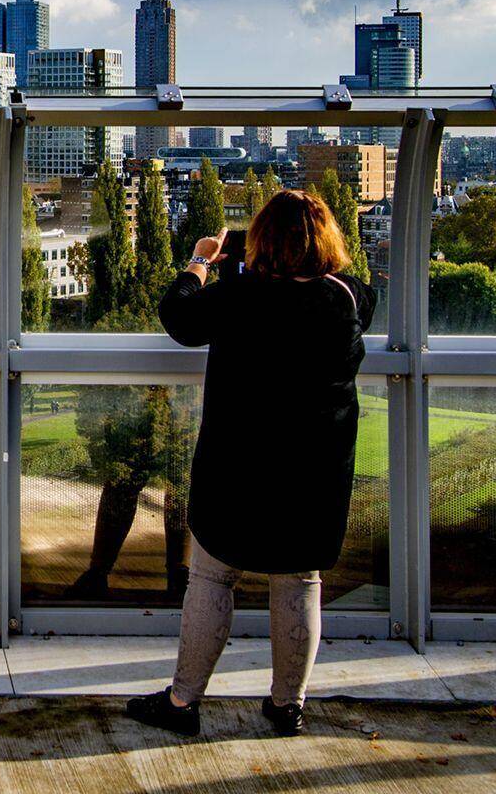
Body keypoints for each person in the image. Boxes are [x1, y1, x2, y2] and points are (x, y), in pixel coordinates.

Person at [127, 189, 377, 739]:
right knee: (300, 579)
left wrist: (200, 261)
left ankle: (183, 701)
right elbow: (354, 296)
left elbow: (180, 318)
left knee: (212, 576)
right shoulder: (348, 297)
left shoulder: (240, 295)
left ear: (261, 239)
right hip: (315, 472)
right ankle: (288, 705)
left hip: (238, 466)